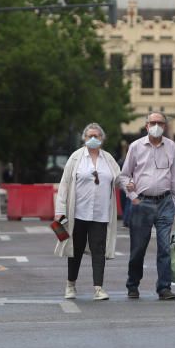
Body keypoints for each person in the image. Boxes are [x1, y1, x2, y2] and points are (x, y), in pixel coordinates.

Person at [119, 112, 175, 300]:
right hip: (142, 202)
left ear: (165, 126)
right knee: (138, 248)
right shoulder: (135, 147)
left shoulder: (171, 146)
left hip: (165, 203)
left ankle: (164, 288)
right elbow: (124, 176)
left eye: (160, 123)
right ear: (146, 125)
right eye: (153, 122)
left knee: (165, 248)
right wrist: (132, 195)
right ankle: (133, 284)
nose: (156, 125)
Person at [54, 123, 121, 301]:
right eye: (89, 136)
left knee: (99, 250)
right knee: (74, 250)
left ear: (102, 139)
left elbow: (119, 179)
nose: (93, 139)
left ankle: (98, 288)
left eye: (97, 136)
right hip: (78, 213)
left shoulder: (108, 159)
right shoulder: (75, 158)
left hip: (100, 214)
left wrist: (131, 187)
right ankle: (70, 285)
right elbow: (65, 185)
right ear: (84, 138)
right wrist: (60, 210)